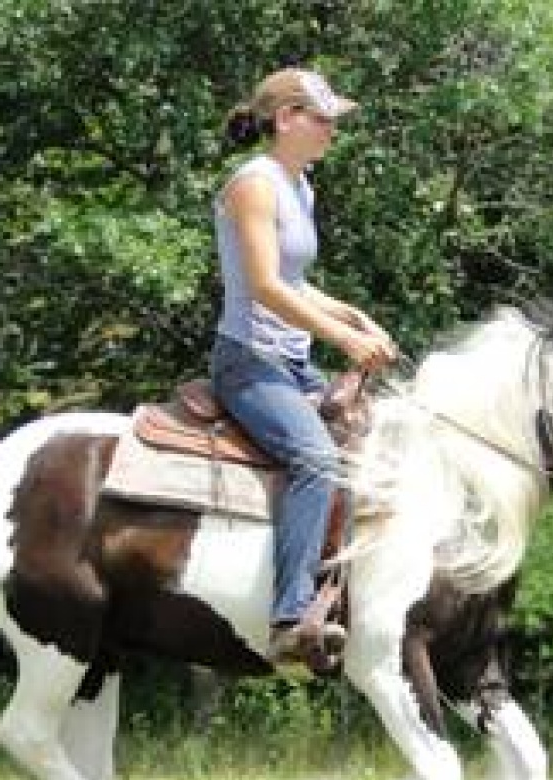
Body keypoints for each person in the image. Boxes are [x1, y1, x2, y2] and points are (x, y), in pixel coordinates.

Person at [210, 67, 396, 663]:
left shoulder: (300, 185)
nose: (332, 131)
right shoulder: (254, 185)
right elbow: (265, 286)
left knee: (370, 443)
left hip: (290, 363)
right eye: (324, 119)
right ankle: (291, 615)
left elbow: (295, 283)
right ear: (286, 119)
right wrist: (342, 337)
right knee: (315, 458)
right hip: (248, 362)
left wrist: (356, 316)